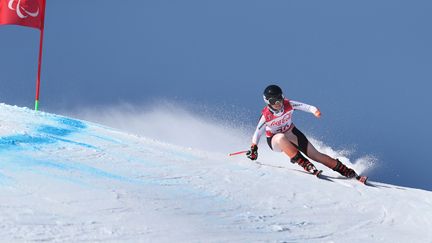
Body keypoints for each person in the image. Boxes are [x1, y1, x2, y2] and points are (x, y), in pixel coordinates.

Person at [246, 84, 357, 178]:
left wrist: (315, 111)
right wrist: (254, 148)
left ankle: (345, 170)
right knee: (280, 137)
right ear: (267, 102)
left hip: (291, 132)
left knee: (315, 154)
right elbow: (258, 132)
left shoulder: (288, 104)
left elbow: (307, 107)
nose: (278, 102)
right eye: (273, 100)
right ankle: (304, 163)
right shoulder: (266, 115)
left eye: (279, 98)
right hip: (275, 141)